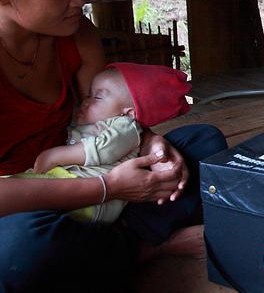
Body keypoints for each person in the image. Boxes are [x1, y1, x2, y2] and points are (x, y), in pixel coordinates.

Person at [0, 0, 227, 290]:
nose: (80, 0)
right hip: (25, 206)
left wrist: (150, 142)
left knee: (203, 144)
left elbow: (104, 122)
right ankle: (149, 247)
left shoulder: (76, 36)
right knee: (21, 250)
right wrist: (111, 187)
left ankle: (102, 252)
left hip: (91, 179)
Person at [17, 63, 192, 224]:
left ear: (128, 113)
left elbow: (102, 148)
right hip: (69, 182)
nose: (85, 101)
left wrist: (53, 155)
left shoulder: (126, 126)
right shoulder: (87, 125)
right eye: (88, 95)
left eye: (97, 97)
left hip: (90, 198)